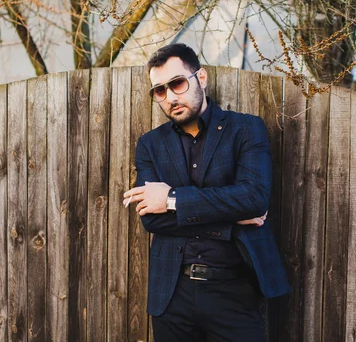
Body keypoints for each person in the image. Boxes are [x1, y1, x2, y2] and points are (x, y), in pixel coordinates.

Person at [123, 43, 291, 341]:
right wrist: (229, 221)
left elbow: (253, 198)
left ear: (200, 78)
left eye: (177, 83)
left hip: (235, 290)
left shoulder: (246, 129)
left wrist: (172, 200)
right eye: (159, 90)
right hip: (173, 293)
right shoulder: (150, 144)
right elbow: (152, 219)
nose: (170, 96)